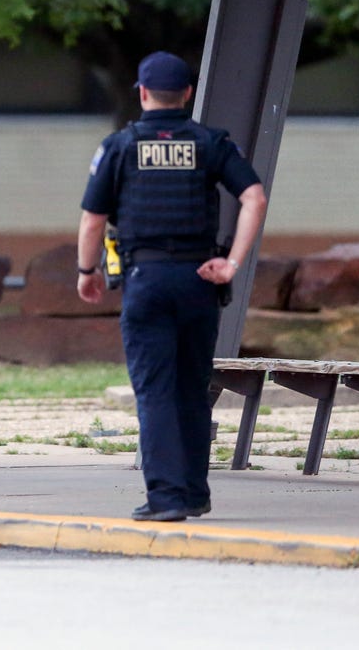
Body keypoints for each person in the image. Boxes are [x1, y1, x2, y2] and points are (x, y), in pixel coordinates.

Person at [76, 51, 267, 521]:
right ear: (186, 94)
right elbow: (254, 196)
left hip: (146, 281)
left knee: (156, 390)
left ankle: (165, 498)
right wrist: (232, 263)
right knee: (191, 387)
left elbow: (92, 220)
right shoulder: (210, 141)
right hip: (200, 280)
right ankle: (195, 493)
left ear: (142, 93)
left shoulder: (119, 146)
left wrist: (87, 272)